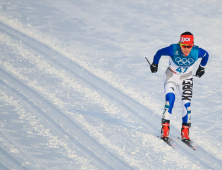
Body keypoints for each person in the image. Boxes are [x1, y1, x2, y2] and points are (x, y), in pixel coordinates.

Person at [150, 32, 209, 142]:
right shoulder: (173, 49)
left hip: (186, 78)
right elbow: (159, 53)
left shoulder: (197, 51)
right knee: (170, 100)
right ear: (180, 44)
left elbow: (206, 55)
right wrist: (154, 64)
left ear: (193, 45)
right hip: (171, 76)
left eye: (189, 46)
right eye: (184, 46)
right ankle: (165, 129)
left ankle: (185, 132)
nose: (186, 49)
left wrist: (202, 68)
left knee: (186, 103)